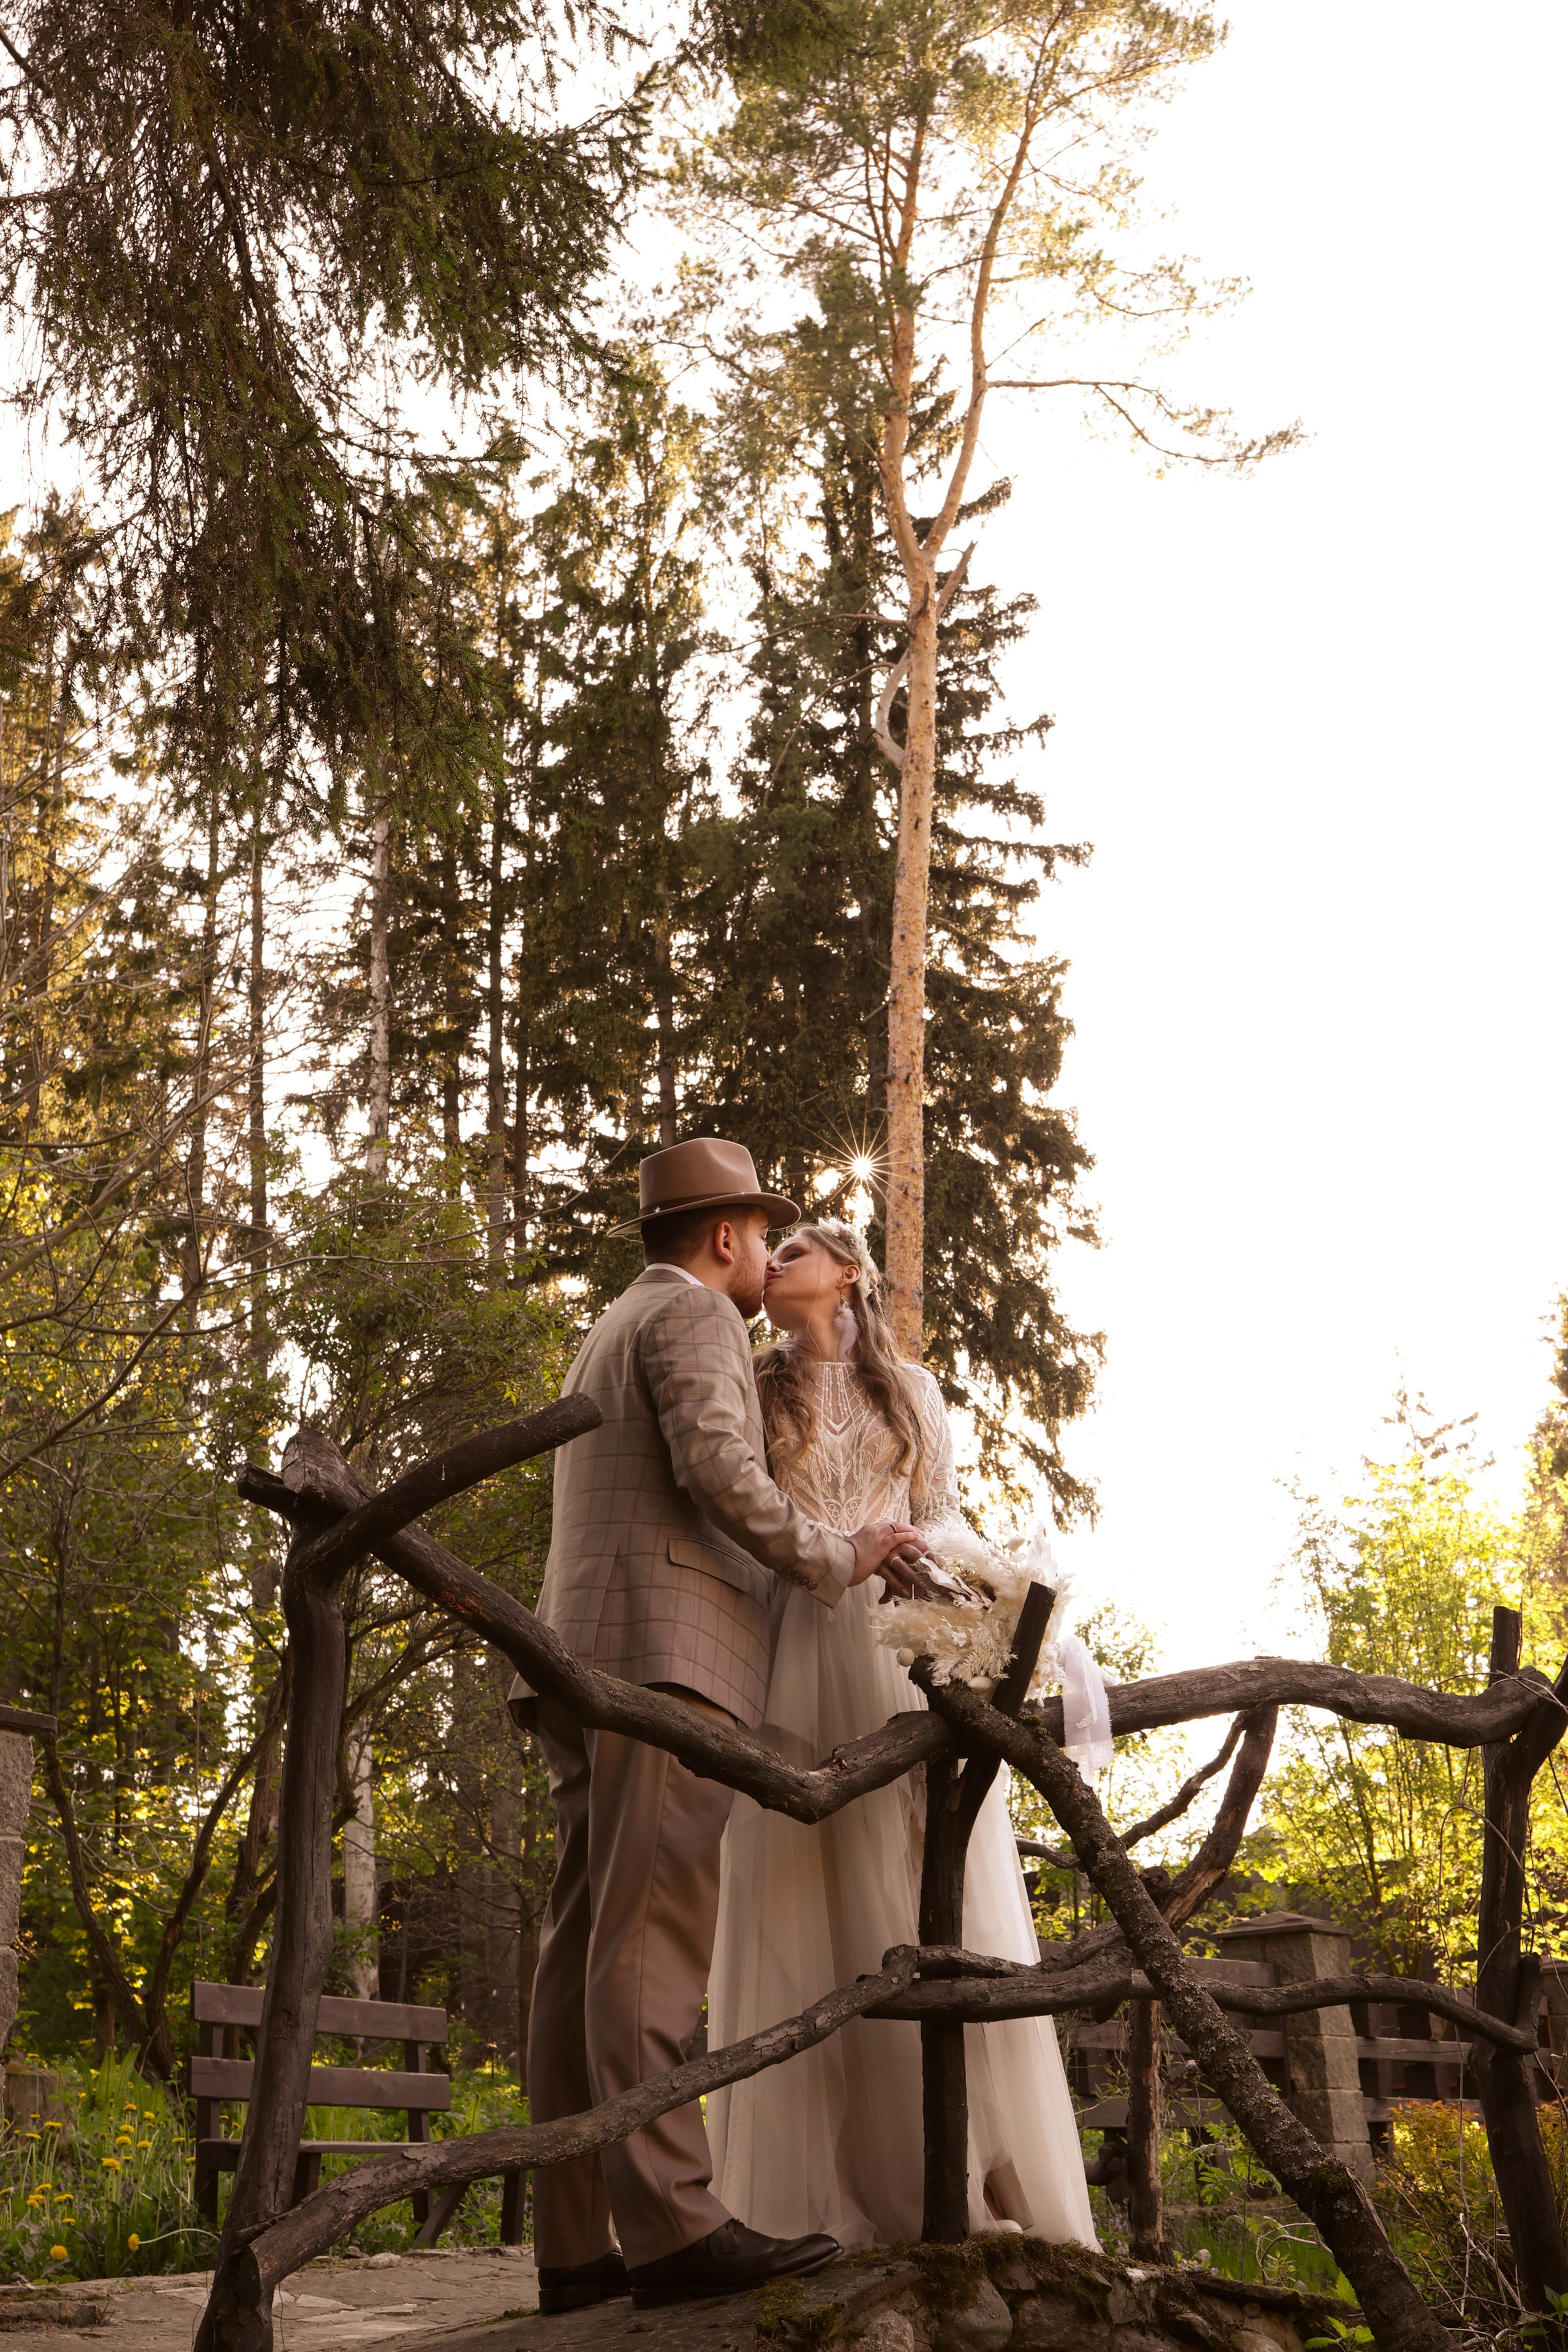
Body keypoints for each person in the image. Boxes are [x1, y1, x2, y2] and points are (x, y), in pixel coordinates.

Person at [507, 1140, 929, 2313]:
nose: (765, 1251)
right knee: (649, 1943)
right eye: (759, 1228)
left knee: (583, 1943)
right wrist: (840, 1555)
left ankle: (575, 2245)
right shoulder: (694, 1321)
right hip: (665, 1660)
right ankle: (677, 2231)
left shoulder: (618, 1314)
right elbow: (722, 1474)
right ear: (727, 1238)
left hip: (585, 1653)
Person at [706, 1218, 1098, 2250]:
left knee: (935, 1887)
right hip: (796, 1643)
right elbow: (738, 1516)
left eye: (797, 1247)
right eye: (768, 1247)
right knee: (806, 1896)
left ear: (848, 1273)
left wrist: (977, 1600)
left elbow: (942, 1516)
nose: (773, 1258)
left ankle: (978, 2174)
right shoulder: (751, 1380)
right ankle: (814, 2197)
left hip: (895, 1645)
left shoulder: (910, 1390)